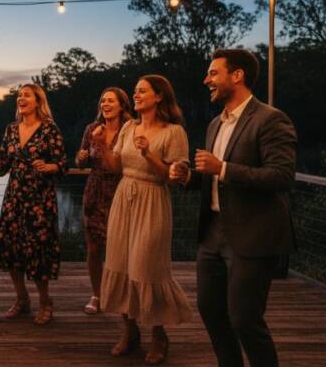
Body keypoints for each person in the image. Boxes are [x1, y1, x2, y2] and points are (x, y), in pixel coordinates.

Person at [170, 49, 296, 367]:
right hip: (212, 233)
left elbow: (281, 176)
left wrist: (222, 168)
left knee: (245, 320)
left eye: (213, 73)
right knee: (211, 313)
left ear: (236, 76)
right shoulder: (215, 124)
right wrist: (189, 176)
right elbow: (213, 178)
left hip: (251, 234)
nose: (206, 80)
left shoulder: (270, 119)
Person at [97, 75, 192, 365]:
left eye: (142, 91)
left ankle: (159, 335)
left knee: (147, 267)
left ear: (159, 96)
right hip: (124, 197)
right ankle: (129, 331)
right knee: (121, 264)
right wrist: (101, 145)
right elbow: (115, 166)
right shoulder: (128, 126)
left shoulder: (174, 132)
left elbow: (170, 176)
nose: (136, 95)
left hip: (152, 199)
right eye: (135, 91)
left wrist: (148, 153)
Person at [0, 83, 66, 325]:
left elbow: (63, 164)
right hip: (15, 198)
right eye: (19, 95)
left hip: (40, 199)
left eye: (26, 95)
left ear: (38, 101)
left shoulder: (50, 130)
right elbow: (4, 166)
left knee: (38, 249)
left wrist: (49, 166)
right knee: (11, 247)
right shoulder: (11, 129)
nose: (21, 98)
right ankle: (22, 299)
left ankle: (45, 302)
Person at [75, 87, 133, 315]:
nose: (105, 105)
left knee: (122, 248)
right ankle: (97, 294)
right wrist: (80, 158)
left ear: (122, 105)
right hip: (95, 190)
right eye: (103, 101)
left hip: (121, 190)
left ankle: (123, 294)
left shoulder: (130, 129)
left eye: (110, 101)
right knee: (93, 248)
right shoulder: (92, 129)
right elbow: (82, 160)